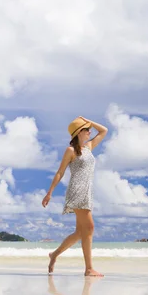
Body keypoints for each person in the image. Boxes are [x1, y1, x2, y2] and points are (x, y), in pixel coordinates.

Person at [42, 116, 107, 277]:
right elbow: (60, 172)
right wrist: (49, 192)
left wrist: (89, 121)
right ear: (79, 133)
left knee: (80, 232)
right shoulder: (70, 151)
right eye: (86, 129)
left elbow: (104, 130)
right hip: (77, 191)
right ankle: (89, 268)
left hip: (87, 192)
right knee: (90, 228)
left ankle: (54, 255)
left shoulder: (89, 147)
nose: (90, 132)